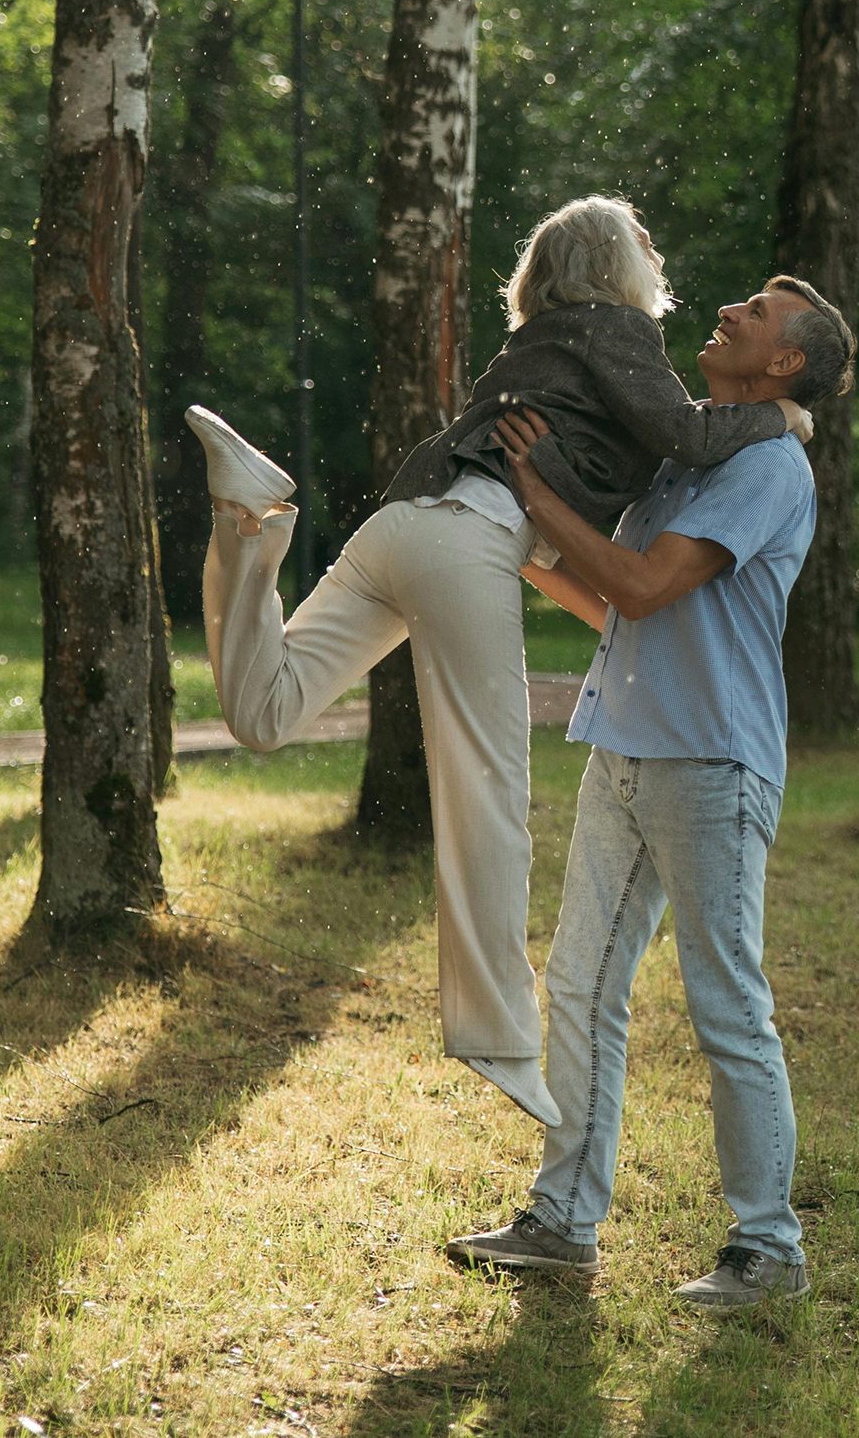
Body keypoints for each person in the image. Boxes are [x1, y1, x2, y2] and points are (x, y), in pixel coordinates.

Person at [189, 197, 812, 1129]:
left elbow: (612, 549)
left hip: (402, 524)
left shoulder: (545, 339)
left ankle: (248, 520)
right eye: (642, 241)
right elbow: (689, 435)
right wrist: (790, 418)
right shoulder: (619, 328)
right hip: (471, 538)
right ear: (610, 265)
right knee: (486, 789)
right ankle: (499, 1038)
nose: (659, 255)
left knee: (264, 712)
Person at [444, 274, 854, 1312]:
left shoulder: (766, 466)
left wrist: (537, 490)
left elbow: (643, 584)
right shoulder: (692, 450)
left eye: (756, 313)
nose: (730, 311)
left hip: (713, 767)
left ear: (787, 362)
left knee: (729, 1012)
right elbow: (609, 601)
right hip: (625, 750)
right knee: (580, 987)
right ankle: (563, 1224)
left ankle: (769, 1249)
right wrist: (513, 526)